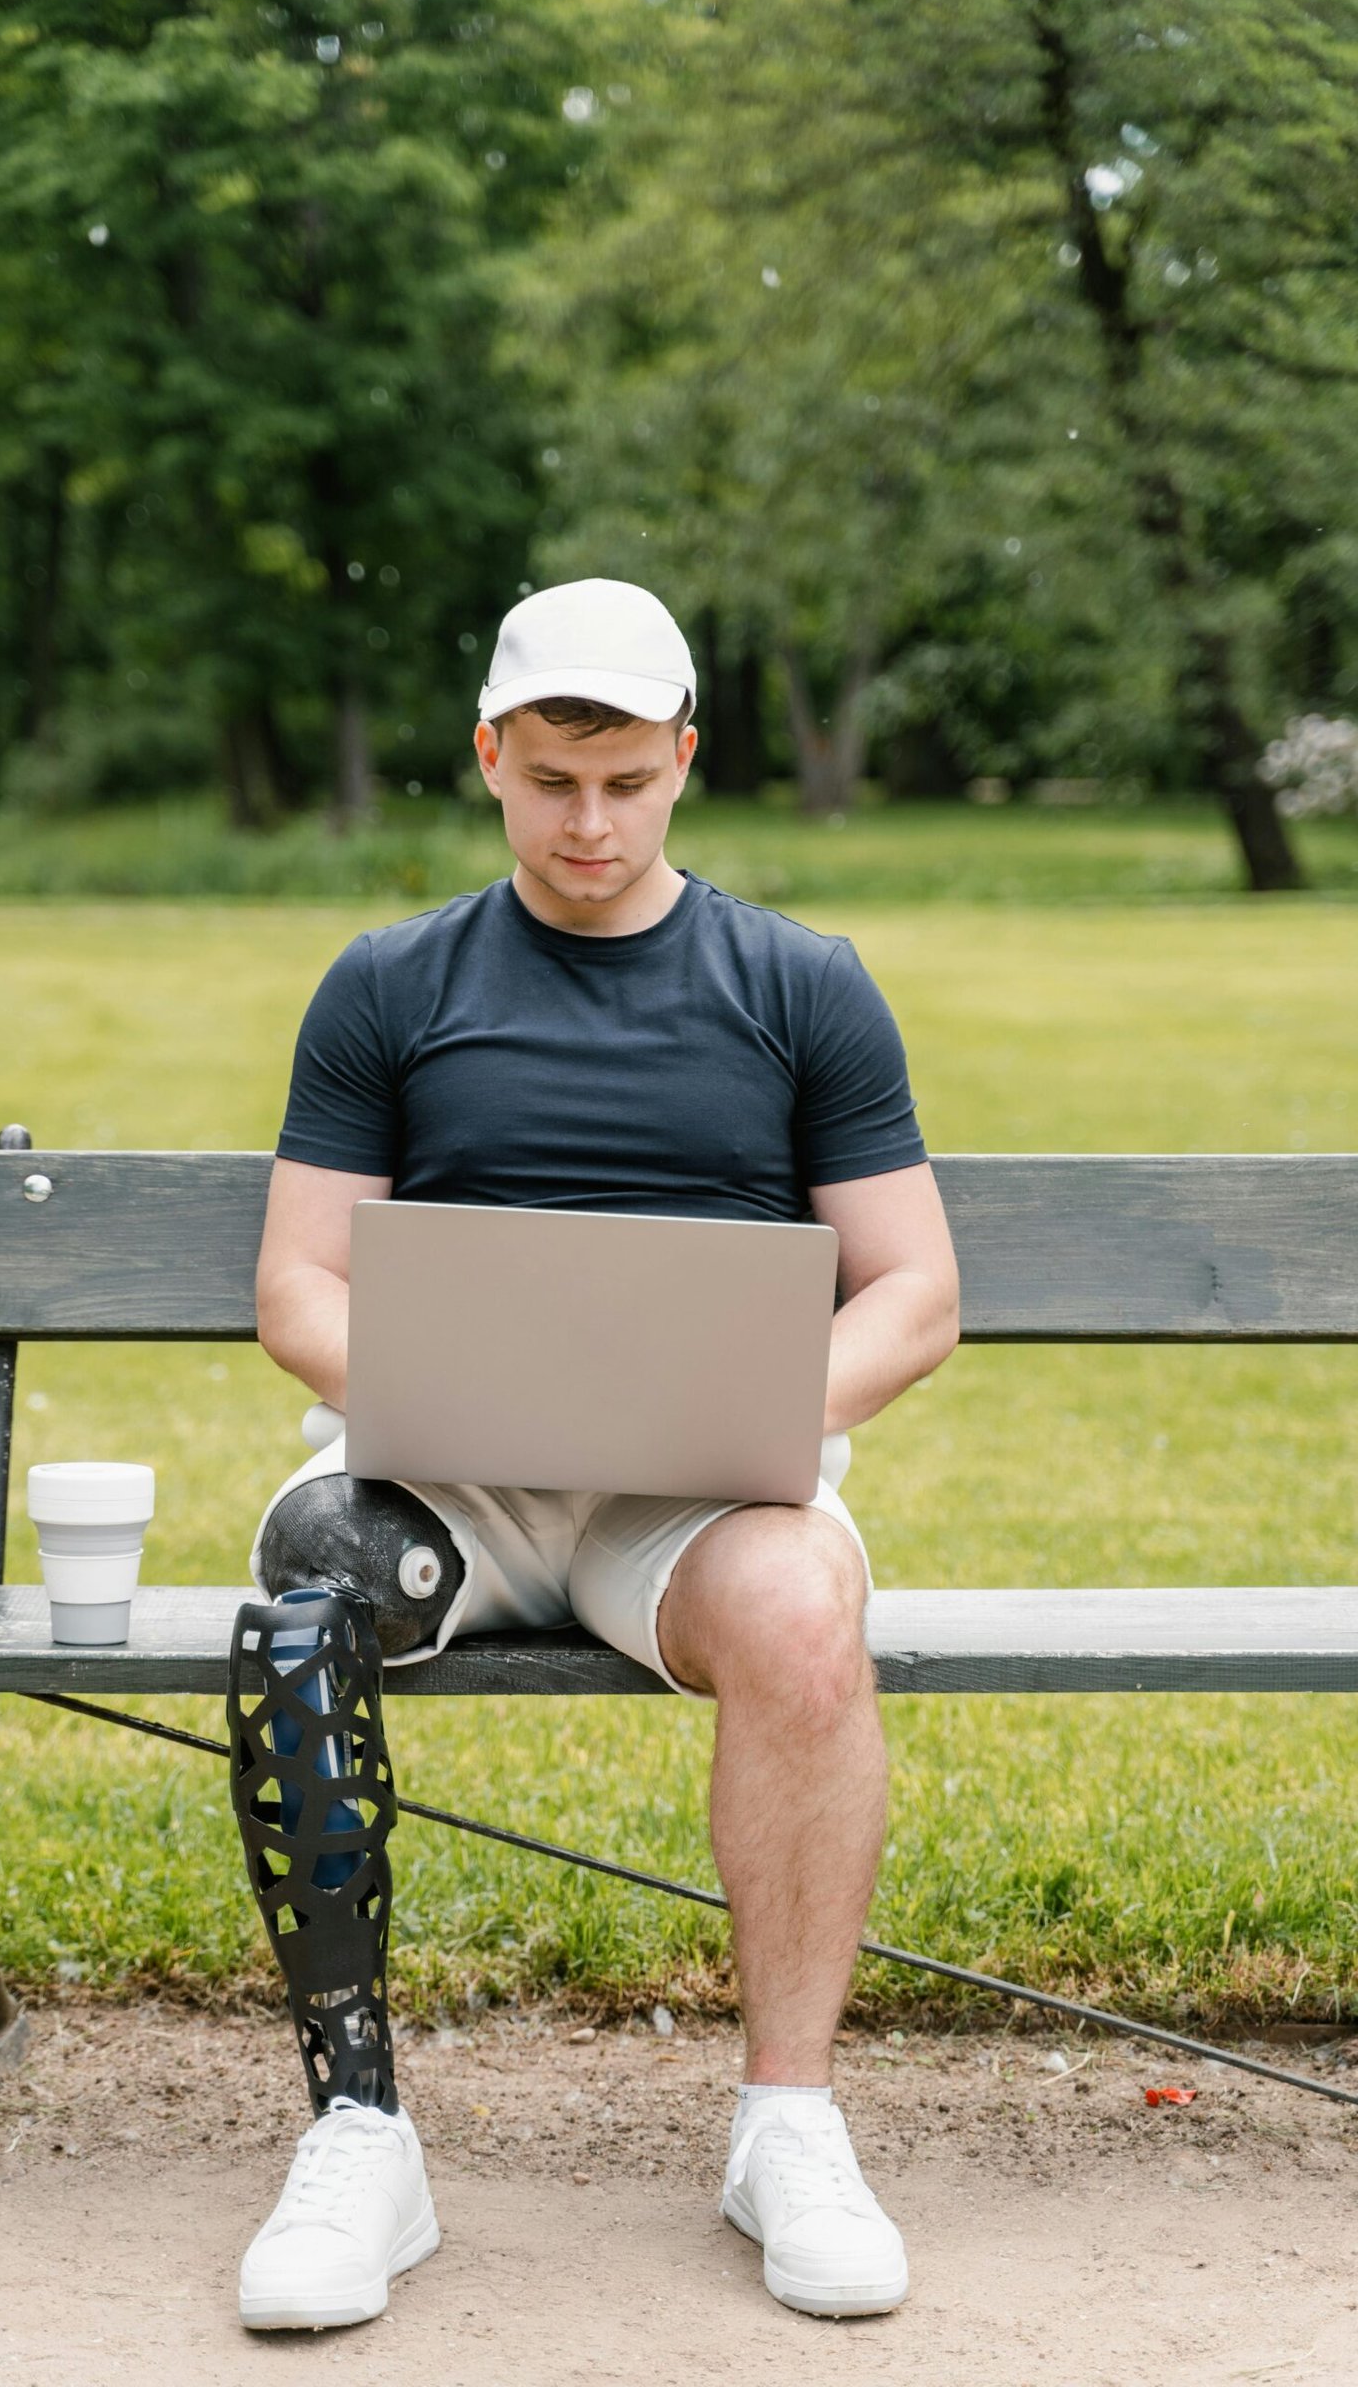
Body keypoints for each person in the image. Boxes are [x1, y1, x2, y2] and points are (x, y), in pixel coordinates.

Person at [231, 578, 960, 2331]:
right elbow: (294, 1287)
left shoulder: (801, 986)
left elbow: (917, 1291)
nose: (589, 822)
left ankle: (787, 2123)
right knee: (306, 1597)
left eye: (628, 781)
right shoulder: (392, 983)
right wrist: (450, 1384)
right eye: (554, 779)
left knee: (798, 1607)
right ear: (490, 754)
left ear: (685, 764)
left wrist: (780, 1412)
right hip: (442, 1486)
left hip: (698, 1495)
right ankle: (360, 2139)